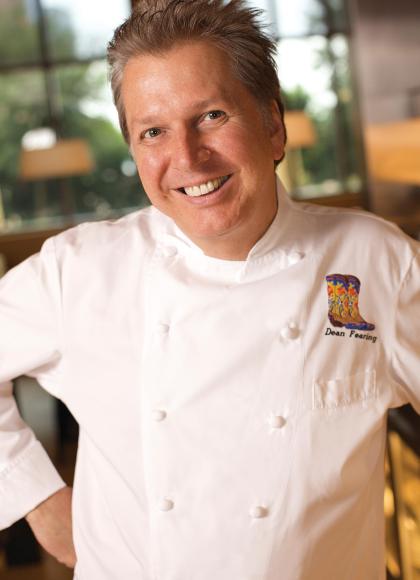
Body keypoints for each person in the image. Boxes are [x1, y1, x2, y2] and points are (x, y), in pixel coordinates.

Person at [0, 1, 419, 578]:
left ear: (273, 126)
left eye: (213, 116)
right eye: (153, 131)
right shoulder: (80, 272)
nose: (188, 158)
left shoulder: (375, 260)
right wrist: (38, 500)